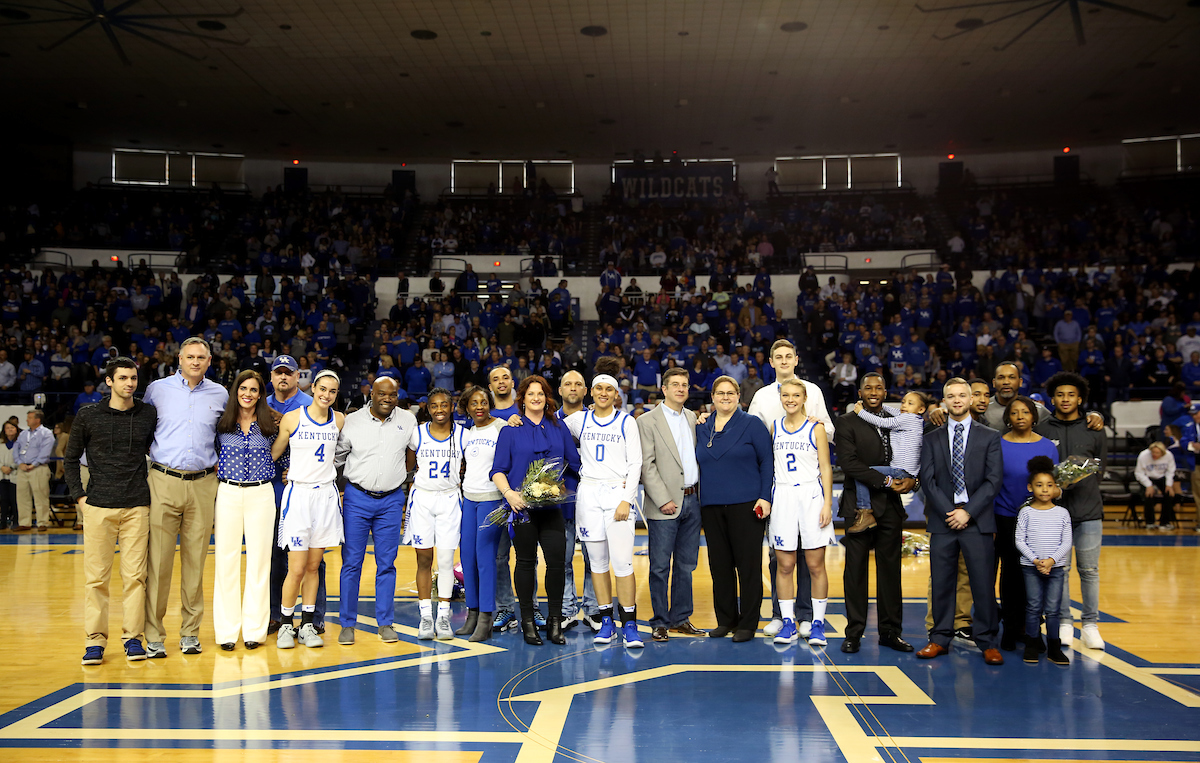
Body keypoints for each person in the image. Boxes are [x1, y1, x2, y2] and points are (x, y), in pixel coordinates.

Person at [65, 357, 158, 665]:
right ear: (109, 382)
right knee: (96, 579)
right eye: (123, 378)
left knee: (135, 578)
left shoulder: (148, 414)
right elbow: (70, 459)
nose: (129, 383)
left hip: (136, 506)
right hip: (97, 507)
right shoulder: (88, 415)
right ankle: (94, 641)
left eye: (133, 378)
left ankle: (133, 638)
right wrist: (80, 498)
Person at [142, 337, 228, 658]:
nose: (195, 361)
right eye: (189, 356)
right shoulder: (157, 390)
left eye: (201, 357)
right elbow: (144, 431)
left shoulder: (220, 394)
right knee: (159, 562)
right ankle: (153, 634)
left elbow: (227, 435)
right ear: (179, 358)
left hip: (204, 484)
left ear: (209, 361)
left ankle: (190, 633)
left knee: (196, 563)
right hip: (163, 480)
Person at [746, 339, 833, 640]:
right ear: (771, 362)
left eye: (788, 356)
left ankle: (810, 617)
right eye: (778, 357)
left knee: (813, 560)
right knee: (780, 560)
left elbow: (827, 440)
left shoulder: (814, 394)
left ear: (796, 360)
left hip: (808, 491)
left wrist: (815, 423)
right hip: (781, 491)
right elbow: (751, 434)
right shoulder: (761, 398)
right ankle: (782, 616)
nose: (783, 361)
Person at [917, 377, 1005, 665]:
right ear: (944, 401)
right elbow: (927, 481)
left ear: (971, 400)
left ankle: (988, 641)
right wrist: (950, 512)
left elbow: (993, 481)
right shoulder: (930, 438)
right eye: (950, 396)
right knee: (942, 582)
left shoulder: (990, 436)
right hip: (944, 521)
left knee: (982, 583)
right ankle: (939, 638)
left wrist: (967, 511)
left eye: (961, 395)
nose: (956, 400)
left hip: (977, 521)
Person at [491, 376, 581, 646]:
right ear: (523, 398)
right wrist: (510, 494)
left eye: (540, 394)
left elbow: (574, 462)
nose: (536, 398)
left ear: (547, 397)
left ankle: (555, 623)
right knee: (525, 563)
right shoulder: (510, 430)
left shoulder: (559, 426)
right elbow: (497, 470)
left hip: (552, 507)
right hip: (522, 510)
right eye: (531, 394)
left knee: (556, 564)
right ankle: (528, 622)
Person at [563, 369, 644, 648]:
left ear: (615, 394)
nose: (603, 393)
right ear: (592, 392)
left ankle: (630, 624)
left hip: (617, 493)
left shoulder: (626, 422)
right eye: (599, 389)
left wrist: (627, 499)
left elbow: (635, 464)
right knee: (596, 563)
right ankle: (606, 621)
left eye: (608, 389)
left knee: (622, 562)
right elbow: (547, 424)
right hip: (589, 493)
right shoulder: (578, 420)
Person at [836, 373, 915, 654]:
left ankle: (890, 632)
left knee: (890, 572)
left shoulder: (899, 421)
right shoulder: (846, 422)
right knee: (855, 572)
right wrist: (885, 480)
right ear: (860, 391)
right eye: (868, 387)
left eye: (878, 387)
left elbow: (913, 454)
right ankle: (854, 633)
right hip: (858, 507)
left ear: (885, 391)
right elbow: (849, 463)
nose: (873, 391)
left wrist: (912, 480)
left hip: (891, 506)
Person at [335, 376, 415, 645]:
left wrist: (409, 473)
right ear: (372, 394)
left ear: (397, 396)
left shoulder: (408, 420)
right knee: (351, 563)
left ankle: (385, 623)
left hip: (392, 500)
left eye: (392, 395)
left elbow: (418, 448)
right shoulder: (353, 421)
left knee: (386, 564)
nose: (387, 399)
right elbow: (335, 456)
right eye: (382, 394)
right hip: (357, 498)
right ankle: (347, 623)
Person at [271, 370, 346, 649]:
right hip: (299, 495)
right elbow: (275, 452)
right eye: (322, 389)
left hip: (326, 496)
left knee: (314, 566)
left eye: (332, 391)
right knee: (297, 567)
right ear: (312, 388)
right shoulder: (293, 418)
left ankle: (307, 625)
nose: (326, 395)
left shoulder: (339, 420)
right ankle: (285, 625)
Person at [696, 376, 774, 642]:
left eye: (730, 393)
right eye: (720, 393)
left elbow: (767, 462)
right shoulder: (702, 427)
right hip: (712, 506)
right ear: (712, 397)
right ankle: (725, 620)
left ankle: (748, 623)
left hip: (747, 505)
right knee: (719, 567)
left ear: (739, 396)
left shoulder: (752, 425)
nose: (725, 397)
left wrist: (766, 497)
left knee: (748, 567)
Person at [1035, 371, 1107, 651]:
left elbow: (1100, 469)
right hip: (1053, 513)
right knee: (1060, 570)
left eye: (1071, 395)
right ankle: (1064, 622)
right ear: (1052, 399)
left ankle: (1090, 625)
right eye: (1060, 395)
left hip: (1089, 511)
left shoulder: (1094, 428)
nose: (1066, 399)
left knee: (1089, 570)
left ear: (1080, 399)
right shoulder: (1043, 427)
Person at [212, 370, 280, 651]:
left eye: (254, 390)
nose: (248, 394)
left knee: (259, 562)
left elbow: (281, 453)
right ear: (235, 391)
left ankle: (254, 630)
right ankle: (227, 632)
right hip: (227, 492)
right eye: (243, 389)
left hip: (261, 493)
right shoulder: (222, 423)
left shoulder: (271, 423)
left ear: (260, 394)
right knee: (225, 561)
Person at [638, 367, 705, 642]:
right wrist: (662, 498)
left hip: (693, 500)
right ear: (663, 389)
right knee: (659, 567)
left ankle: (681, 618)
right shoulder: (647, 421)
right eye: (675, 384)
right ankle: (660, 621)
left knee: (687, 565)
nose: (680, 388)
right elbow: (646, 464)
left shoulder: (692, 418)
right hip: (664, 503)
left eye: (685, 384)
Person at [768, 379, 835, 647]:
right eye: (786, 395)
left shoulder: (816, 427)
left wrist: (828, 503)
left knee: (815, 564)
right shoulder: (773, 427)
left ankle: (817, 623)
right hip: (783, 496)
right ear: (780, 397)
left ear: (805, 397)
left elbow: (826, 467)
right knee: (784, 565)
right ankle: (788, 622)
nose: (791, 399)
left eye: (796, 395)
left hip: (810, 495)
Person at [265, 355, 325, 635]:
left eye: (288, 373)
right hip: (272, 485)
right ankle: (276, 614)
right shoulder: (262, 404)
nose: (283, 377)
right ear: (272, 376)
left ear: (298, 376)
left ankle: (315, 616)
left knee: (313, 555)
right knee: (276, 553)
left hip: (304, 488)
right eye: (278, 373)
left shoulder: (310, 405)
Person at [994, 396, 1059, 651]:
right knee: (1009, 574)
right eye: (1014, 413)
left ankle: (1032, 629)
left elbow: (1053, 483)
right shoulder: (997, 445)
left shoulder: (1048, 447)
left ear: (1034, 416)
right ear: (1007, 418)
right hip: (1005, 516)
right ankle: (1010, 628)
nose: (1020, 416)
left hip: (1038, 519)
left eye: (1025, 412)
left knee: (1034, 574)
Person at [404, 387, 466, 640]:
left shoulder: (464, 435)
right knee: (423, 560)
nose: (439, 409)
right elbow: (408, 465)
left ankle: (443, 616)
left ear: (452, 407)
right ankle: (425, 617)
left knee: (445, 561)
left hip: (450, 499)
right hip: (422, 499)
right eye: (434, 405)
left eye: (444, 404)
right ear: (427, 408)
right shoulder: (416, 434)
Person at [457, 385, 507, 642]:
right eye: (474, 403)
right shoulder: (466, 433)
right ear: (467, 408)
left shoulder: (502, 427)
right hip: (469, 499)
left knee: (485, 558)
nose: (479, 406)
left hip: (492, 500)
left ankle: (487, 616)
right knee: (467, 558)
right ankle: (472, 612)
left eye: (483, 402)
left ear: (490, 405)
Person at [1016, 455, 1073, 666]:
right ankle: (1032, 644)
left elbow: (1066, 542)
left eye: (1050, 485)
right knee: (1032, 607)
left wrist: (1050, 561)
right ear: (1030, 488)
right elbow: (1019, 540)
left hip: (1055, 568)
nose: (1045, 489)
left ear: (1056, 488)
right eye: (1039, 485)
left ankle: (1054, 647)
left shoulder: (1062, 513)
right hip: (1031, 568)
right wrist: (1036, 560)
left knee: (1053, 609)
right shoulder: (1026, 513)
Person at [847, 391, 929, 533]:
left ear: (921, 410)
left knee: (863, 474)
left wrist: (861, 412)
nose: (904, 405)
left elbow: (883, 422)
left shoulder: (909, 419)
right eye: (903, 402)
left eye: (910, 403)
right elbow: (894, 411)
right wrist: (878, 405)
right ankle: (899, 514)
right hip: (903, 471)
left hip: (900, 471)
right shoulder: (909, 417)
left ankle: (865, 511)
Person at [557, 370, 599, 631]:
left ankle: (594, 609)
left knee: (594, 557)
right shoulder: (548, 420)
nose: (573, 388)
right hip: (561, 501)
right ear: (559, 390)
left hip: (593, 499)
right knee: (562, 559)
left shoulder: (598, 418)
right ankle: (566, 609)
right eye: (567, 384)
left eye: (578, 384)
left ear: (586, 391)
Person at [13, 409, 55, 532]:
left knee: (40, 496)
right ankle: (24, 522)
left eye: (30, 418)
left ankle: (42, 522)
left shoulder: (46, 433)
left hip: (38, 468)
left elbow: (45, 452)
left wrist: (34, 464)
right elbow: (16, 448)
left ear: (37, 420)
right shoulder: (23, 434)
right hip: (22, 468)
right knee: (22, 496)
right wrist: (19, 462)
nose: (27, 420)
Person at [1135, 441, 1177, 531]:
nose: (1154, 454)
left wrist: (1169, 485)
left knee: (1169, 494)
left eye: (1157, 453)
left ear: (1162, 452)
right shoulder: (1143, 455)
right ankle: (1150, 522)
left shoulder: (1169, 455)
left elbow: (1171, 471)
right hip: (1147, 477)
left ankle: (1164, 522)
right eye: (1153, 452)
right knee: (1149, 495)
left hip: (1162, 477)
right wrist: (1148, 485)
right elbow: (1139, 473)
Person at [1180, 403, 1200, 532]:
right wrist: (1193, 446)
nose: (1194, 417)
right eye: (1192, 414)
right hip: (1197, 465)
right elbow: (1184, 442)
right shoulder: (1190, 428)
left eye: (1196, 414)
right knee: (1198, 495)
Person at [0, 420, 18, 531]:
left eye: (12, 427)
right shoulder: (1, 444)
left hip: (15, 474)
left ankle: (16, 521)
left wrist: (11, 467)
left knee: (14, 499)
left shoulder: (19, 444)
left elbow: (21, 458)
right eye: (7, 428)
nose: (10, 430)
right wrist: (2, 467)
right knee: (4, 499)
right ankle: (3, 522)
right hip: (2, 475)